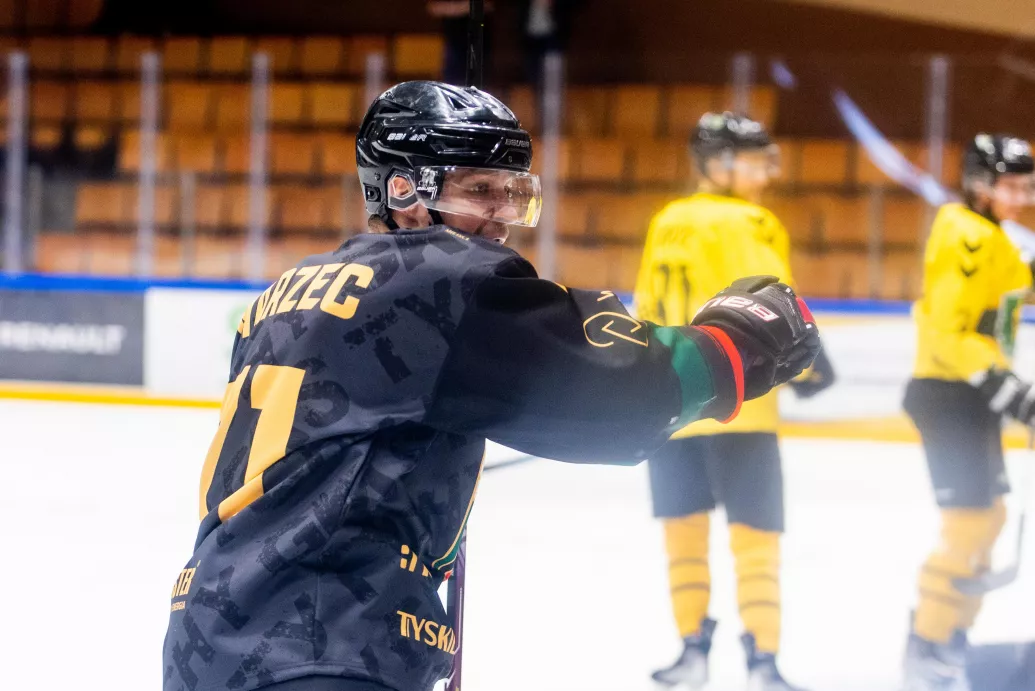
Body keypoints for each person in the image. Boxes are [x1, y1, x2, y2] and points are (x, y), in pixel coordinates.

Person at [161, 82, 821, 691]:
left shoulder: (282, 293)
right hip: (320, 643)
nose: (502, 218)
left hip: (211, 636)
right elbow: (620, 394)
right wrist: (740, 345)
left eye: (513, 192)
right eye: (480, 191)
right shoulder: (439, 281)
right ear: (402, 191)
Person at [637, 112, 834, 691]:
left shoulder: (666, 220)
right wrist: (811, 366)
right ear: (720, 162)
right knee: (755, 541)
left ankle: (691, 651)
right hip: (742, 405)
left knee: (683, 536)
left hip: (674, 402)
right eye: (754, 161)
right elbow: (776, 309)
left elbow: (646, 309)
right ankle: (763, 660)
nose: (765, 174)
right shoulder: (750, 220)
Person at [902, 133, 1035, 691]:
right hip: (948, 393)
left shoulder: (998, 236)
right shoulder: (965, 233)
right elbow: (947, 331)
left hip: (972, 395)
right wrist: (1008, 388)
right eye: (1010, 186)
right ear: (980, 185)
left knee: (991, 518)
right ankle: (927, 642)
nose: (1021, 197)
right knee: (970, 523)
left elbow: (1005, 305)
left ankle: (952, 636)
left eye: (1027, 187)